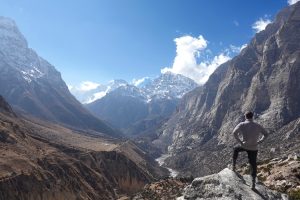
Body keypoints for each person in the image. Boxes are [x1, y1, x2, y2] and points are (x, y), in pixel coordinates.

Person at [232, 111, 268, 189]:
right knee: (253, 164)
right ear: (252, 116)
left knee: (236, 149)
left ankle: (234, 166)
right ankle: (253, 182)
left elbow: (234, 133)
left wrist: (240, 141)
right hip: (254, 147)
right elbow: (266, 134)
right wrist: (260, 141)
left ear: (245, 116)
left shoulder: (242, 124)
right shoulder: (258, 125)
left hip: (245, 145)